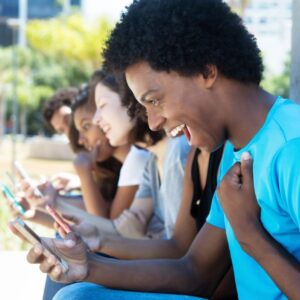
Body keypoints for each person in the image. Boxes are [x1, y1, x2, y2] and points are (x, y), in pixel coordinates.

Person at [22, 0, 300, 299]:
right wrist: (87, 266)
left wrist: (249, 234)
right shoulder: (237, 150)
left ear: (206, 71)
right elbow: (195, 272)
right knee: (78, 291)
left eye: (154, 100)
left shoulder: (291, 148)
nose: (153, 123)